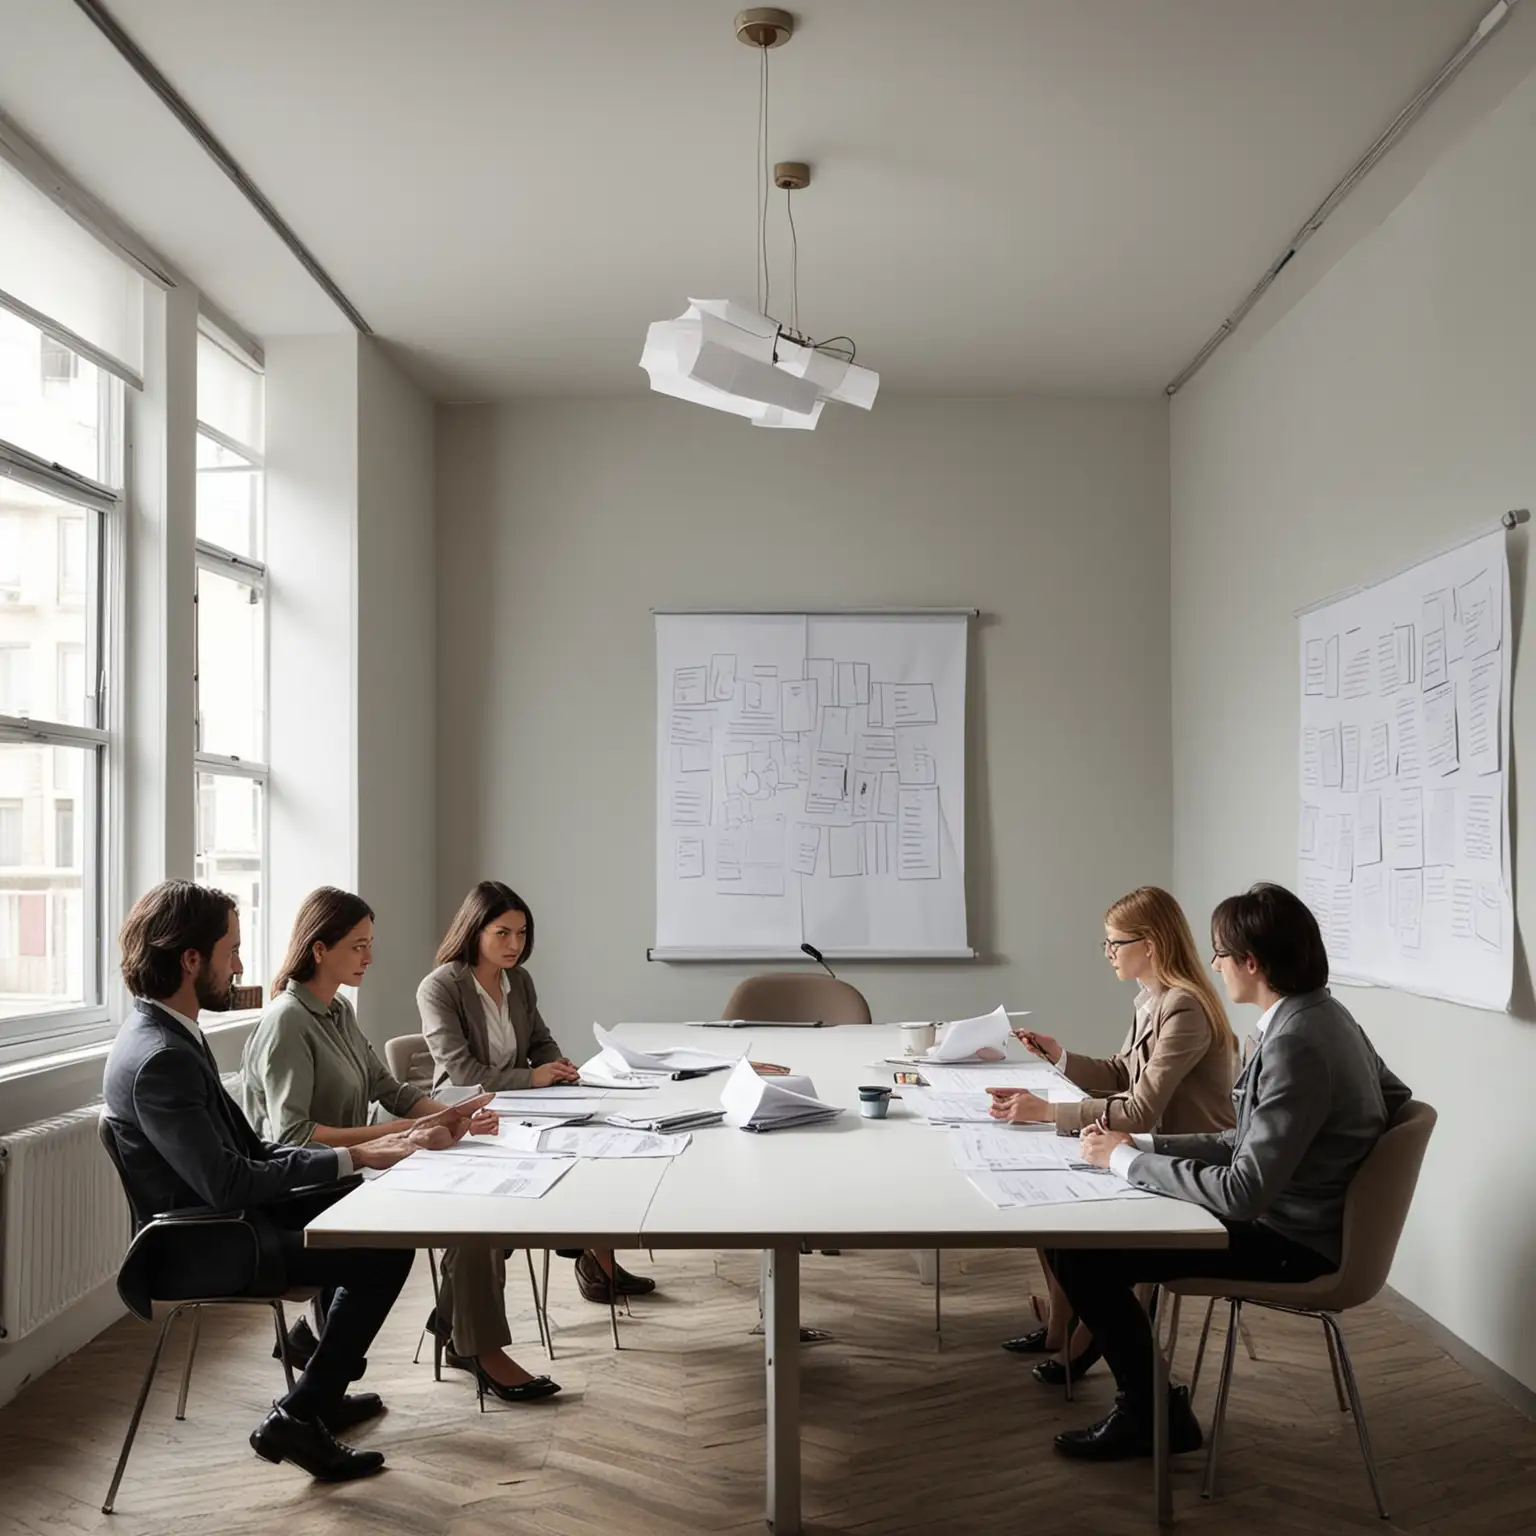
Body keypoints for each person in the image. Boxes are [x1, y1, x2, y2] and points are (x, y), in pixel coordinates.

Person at [102, 882, 457, 1483]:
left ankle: (319, 1388)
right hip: (210, 1241)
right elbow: (229, 1183)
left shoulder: (167, 1037)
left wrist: (366, 1157)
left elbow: (251, 1153)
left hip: (229, 1219)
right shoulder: (161, 1057)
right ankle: (300, 1412)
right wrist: (362, 1154)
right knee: (383, 1249)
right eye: (231, 950)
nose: (241, 965)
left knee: (374, 1212)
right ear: (191, 960)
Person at [1045, 882, 1412, 1462]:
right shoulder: (1326, 1016)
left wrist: (1128, 1161)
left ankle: (1151, 1414)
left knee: (1081, 1249)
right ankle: (1149, 1404)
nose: (1214, 965)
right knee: (1084, 1239)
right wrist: (1142, 1144)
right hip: (1301, 1219)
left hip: (1291, 1240)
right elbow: (1397, 1101)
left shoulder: (1296, 1043)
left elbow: (1243, 1192)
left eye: (1220, 953)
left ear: (1251, 962)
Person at [241, 887, 560, 1404]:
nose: (370, 956)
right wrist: (399, 1136)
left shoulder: (336, 1010)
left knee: (489, 1195)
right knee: (470, 1209)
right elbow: (292, 1139)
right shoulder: (287, 1022)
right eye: (358, 946)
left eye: (370, 943)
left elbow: (389, 1090)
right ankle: (472, 1346)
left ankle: (338, 1340)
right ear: (319, 949)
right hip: (307, 1189)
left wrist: (456, 1113)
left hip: (352, 1173)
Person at [989, 886, 1239, 1384]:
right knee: (1043, 1201)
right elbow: (1124, 1072)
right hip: (1145, 1148)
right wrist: (1059, 1056)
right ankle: (1063, 1329)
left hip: (1182, 1163)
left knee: (1062, 1212)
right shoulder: (1154, 999)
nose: (1107, 954)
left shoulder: (1184, 1007)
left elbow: (1141, 1109)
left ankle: (1082, 1344)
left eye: (1114, 943)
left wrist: (1048, 1111)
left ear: (1150, 944)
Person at [417, 880, 658, 1307]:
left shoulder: (520, 981)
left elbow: (539, 1043)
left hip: (524, 1105)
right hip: (469, 1112)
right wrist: (534, 1078)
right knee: (526, 1182)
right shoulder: (440, 987)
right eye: (503, 933)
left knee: (595, 1147)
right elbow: (464, 1072)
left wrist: (560, 1068)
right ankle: (460, 1310)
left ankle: (595, 1259)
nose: (515, 944)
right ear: (475, 932)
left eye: (522, 933)